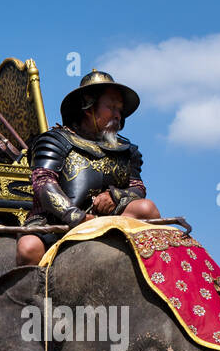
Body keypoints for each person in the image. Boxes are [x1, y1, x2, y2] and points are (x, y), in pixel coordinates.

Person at [16, 70, 160, 265]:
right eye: (111, 107)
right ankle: (35, 295)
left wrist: (115, 196)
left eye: (120, 109)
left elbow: (137, 187)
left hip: (109, 219)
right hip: (56, 222)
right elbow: (43, 182)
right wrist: (77, 217)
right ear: (88, 107)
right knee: (29, 248)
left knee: (147, 208)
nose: (118, 115)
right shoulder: (55, 141)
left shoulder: (127, 151)